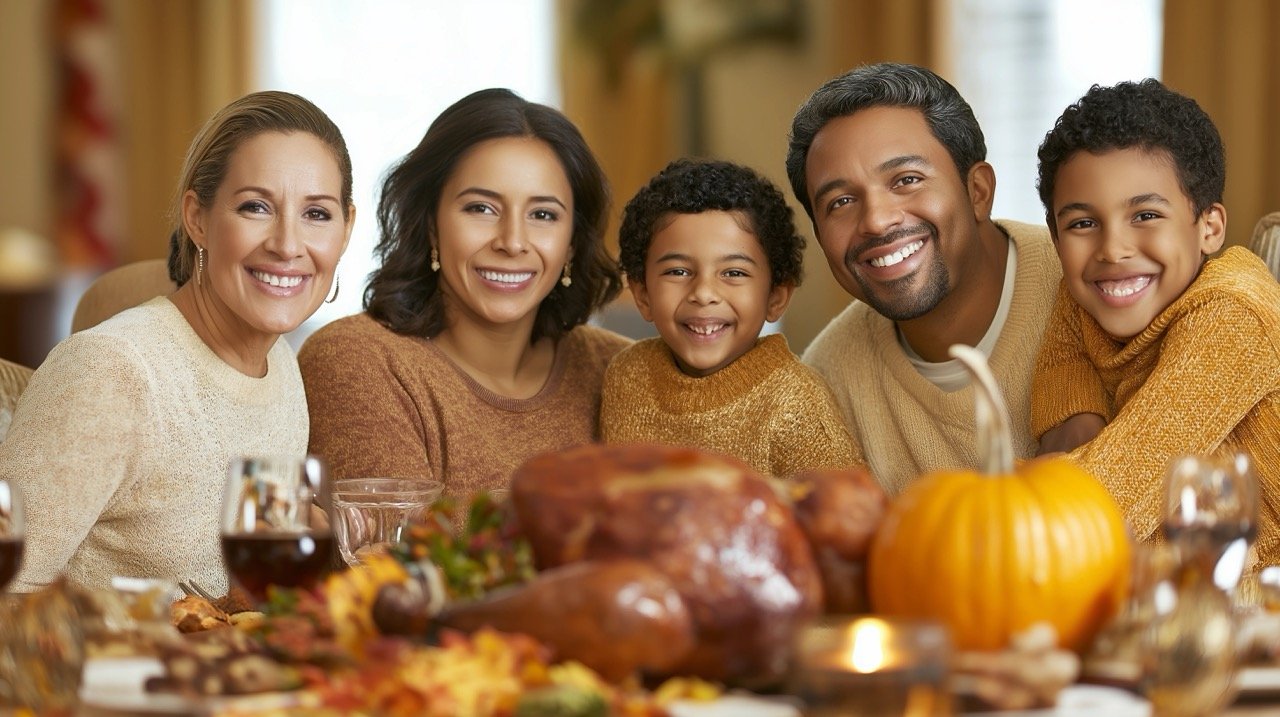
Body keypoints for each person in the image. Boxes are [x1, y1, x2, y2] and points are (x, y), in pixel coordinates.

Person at [0, 91, 354, 593]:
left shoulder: (280, 365)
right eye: (255, 207)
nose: (288, 245)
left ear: (346, 230)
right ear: (197, 218)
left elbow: (243, 592)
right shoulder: (110, 371)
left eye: (316, 214)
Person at [299, 89, 629, 499]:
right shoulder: (359, 361)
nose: (512, 241)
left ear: (573, 244)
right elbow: (395, 559)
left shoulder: (621, 371)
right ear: (431, 224)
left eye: (543, 215)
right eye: (481, 209)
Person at [1030, 79, 1280, 560]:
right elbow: (1063, 386)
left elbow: (1120, 489)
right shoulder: (1085, 289)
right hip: (1185, 573)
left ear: (1208, 228)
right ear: (1057, 237)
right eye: (1082, 223)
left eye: (1145, 215)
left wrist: (1016, 503)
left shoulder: (1235, 313)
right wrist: (1079, 433)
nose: (1113, 250)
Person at [786, 62, 1062, 495]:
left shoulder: (1094, 284)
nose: (876, 221)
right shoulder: (828, 381)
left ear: (978, 191)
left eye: (907, 180)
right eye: (840, 202)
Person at [599, 159, 859, 478]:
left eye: (734, 273)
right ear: (643, 295)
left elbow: (845, 516)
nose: (704, 293)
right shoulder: (627, 376)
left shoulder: (797, 403)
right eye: (678, 271)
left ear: (776, 297)